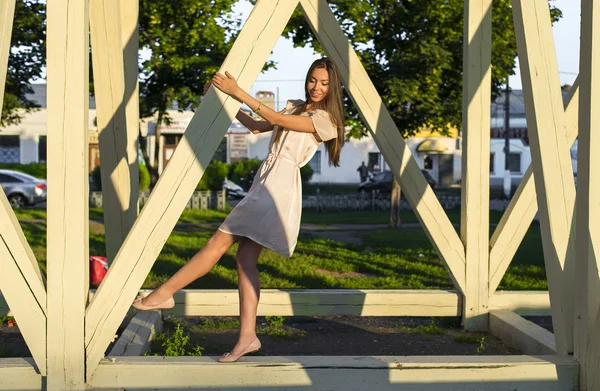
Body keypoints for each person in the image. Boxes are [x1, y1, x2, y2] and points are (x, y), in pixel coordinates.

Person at [132, 58, 345, 362]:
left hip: (279, 187)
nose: (316, 87)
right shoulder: (298, 106)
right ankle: (247, 337)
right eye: (313, 79)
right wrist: (227, 98)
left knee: (217, 242)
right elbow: (258, 124)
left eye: (324, 83)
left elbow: (274, 117)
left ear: (333, 87)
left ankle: (163, 294)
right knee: (245, 259)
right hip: (267, 180)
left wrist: (237, 90)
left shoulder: (326, 120)